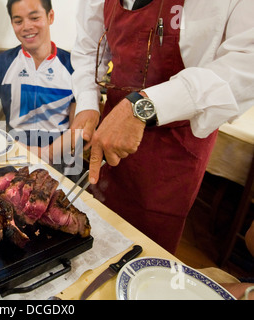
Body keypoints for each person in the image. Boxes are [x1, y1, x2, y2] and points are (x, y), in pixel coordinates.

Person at [70, 0, 254, 253]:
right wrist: (87, 102)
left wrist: (146, 105)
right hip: (112, 132)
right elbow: (88, 48)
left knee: (146, 250)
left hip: (175, 146)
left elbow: (247, 63)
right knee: (97, 227)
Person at [0, 0, 76, 161]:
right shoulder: (0, 65)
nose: (26, 26)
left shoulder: (74, 66)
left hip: (61, 159)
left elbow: (79, 129)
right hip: (13, 153)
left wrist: (47, 154)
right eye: (18, 21)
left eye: (34, 18)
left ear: (50, 16)